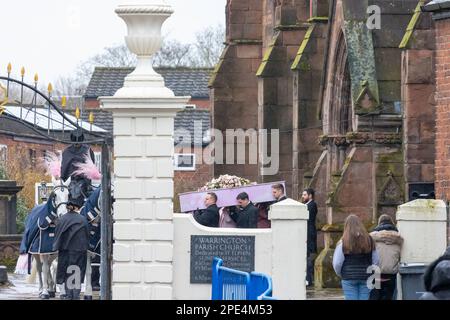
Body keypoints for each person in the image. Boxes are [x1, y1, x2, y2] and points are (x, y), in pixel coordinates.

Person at [333, 214, 379, 300]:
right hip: (366, 276)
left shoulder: (343, 242)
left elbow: (337, 263)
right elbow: (376, 260)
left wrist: (341, 273)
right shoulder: (369, 240)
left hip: (348, 278)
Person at [53, 194, 89, 300]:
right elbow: (86, 235)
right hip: (79, 250)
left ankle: (68, 295)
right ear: (77, 207)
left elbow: (57, 234)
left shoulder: (62, 219)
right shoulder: (82, 219)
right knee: (77, 271)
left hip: (65, 251)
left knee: (67, 271)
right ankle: (76, 295)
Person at [369, 214, 403, 300]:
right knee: (389, 297)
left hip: (376, 274)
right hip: (391, 275)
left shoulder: (372, 237)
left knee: (375, 297)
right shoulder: (399, 238)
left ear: (379, 223)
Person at [61, 128, 96, 203]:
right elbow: (63, 168)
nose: (76, 144)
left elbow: (91, 167)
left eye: (78, 142)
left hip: (83, 181)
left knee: (80, 191)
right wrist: (62, 179)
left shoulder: (87, 150)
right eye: (75, 142)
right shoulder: (66, 152)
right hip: (69, 181)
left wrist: (87, 181)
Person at [301, 188, 318, 287]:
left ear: (310, 195)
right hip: (306, 233)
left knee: (309, 259)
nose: (303, 197)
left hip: (309, 234)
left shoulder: (312, 205)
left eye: (304, 195)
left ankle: (309, 279)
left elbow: (309, 220)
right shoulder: (306, 205)